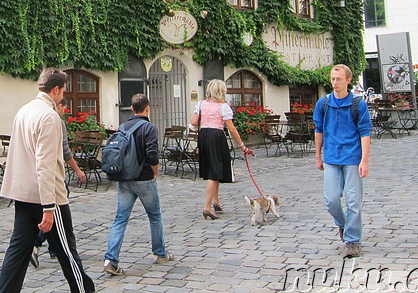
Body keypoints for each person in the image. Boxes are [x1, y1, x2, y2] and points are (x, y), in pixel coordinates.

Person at [0, 68, 99, 293]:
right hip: (47, 197)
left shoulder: (24, 111)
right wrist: (48, 207)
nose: (63, 95)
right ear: (55, 90)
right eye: (63, 91)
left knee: (17, 253)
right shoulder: (49, 117)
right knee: (67, 252)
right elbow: (45, 165)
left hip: (23, 195)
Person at [103, 93, 174, 276]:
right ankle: (160, 253)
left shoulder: (123, 126)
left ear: (132, 109)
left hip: (124, 178)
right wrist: (155, 171)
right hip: (144, 178)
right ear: (147, 108)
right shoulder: (149, 128)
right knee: (155, 216)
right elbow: (152, 153)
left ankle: (111, 259)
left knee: (120, 219)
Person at [314, 64, 372, 258]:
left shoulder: (358, 104)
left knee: (354, 202)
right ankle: (343, 224)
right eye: (332, 79)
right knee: (331, 200)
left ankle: (352, 241)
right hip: (331, 157)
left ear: (348, 80)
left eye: (339, 79)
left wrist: (364, 160)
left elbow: (365, 133)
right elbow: (318, 130)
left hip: (352, 158)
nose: (335, 82)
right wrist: (317, 155)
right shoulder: (323, 103)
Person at [31, 98, 87, 268]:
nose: (65, 111)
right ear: (59, 105)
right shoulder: (55, 120)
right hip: (53, 177)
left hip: (37, 177)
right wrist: (78, 170)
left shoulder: (34, 115)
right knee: (56, 212)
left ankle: (51, 247)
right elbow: (65, 152)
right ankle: (39, 243)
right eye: (64, 107)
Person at [190, 79, 252, 220]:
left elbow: (194, 122)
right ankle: (207, 207)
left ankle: (216, 202)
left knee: (213, 168)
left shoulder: (201, 104)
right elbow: (231, 128)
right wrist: (242, 145)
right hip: (216, 136)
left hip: (204, 135)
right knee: (215, 171)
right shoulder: (223, 106)